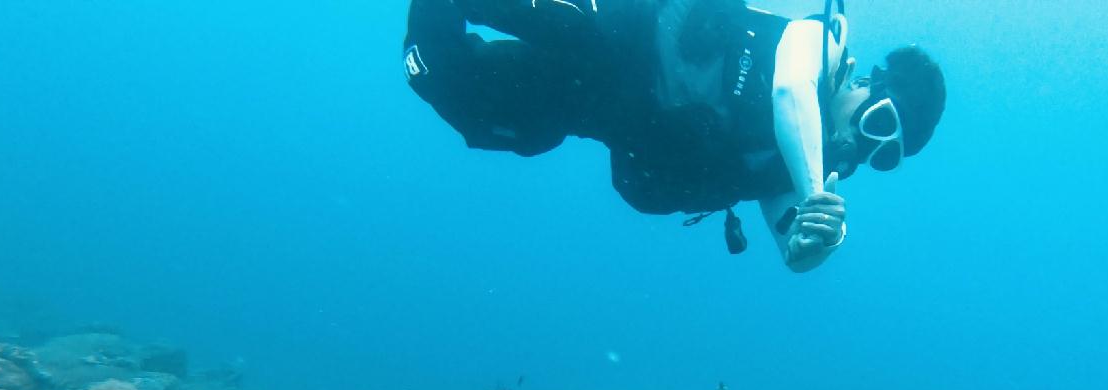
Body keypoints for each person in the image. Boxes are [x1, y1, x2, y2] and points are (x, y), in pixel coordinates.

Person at [402, 0, 945, 272]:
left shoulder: (788, 166)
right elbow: (789, 94)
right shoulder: (819, 40)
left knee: (449, 87)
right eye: (876, 122)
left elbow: (792, 248)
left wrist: (816, 245)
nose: (860, 145)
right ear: (868, 82)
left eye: (882, 157)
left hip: (598, 105)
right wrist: (814, 196)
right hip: (615, 33)